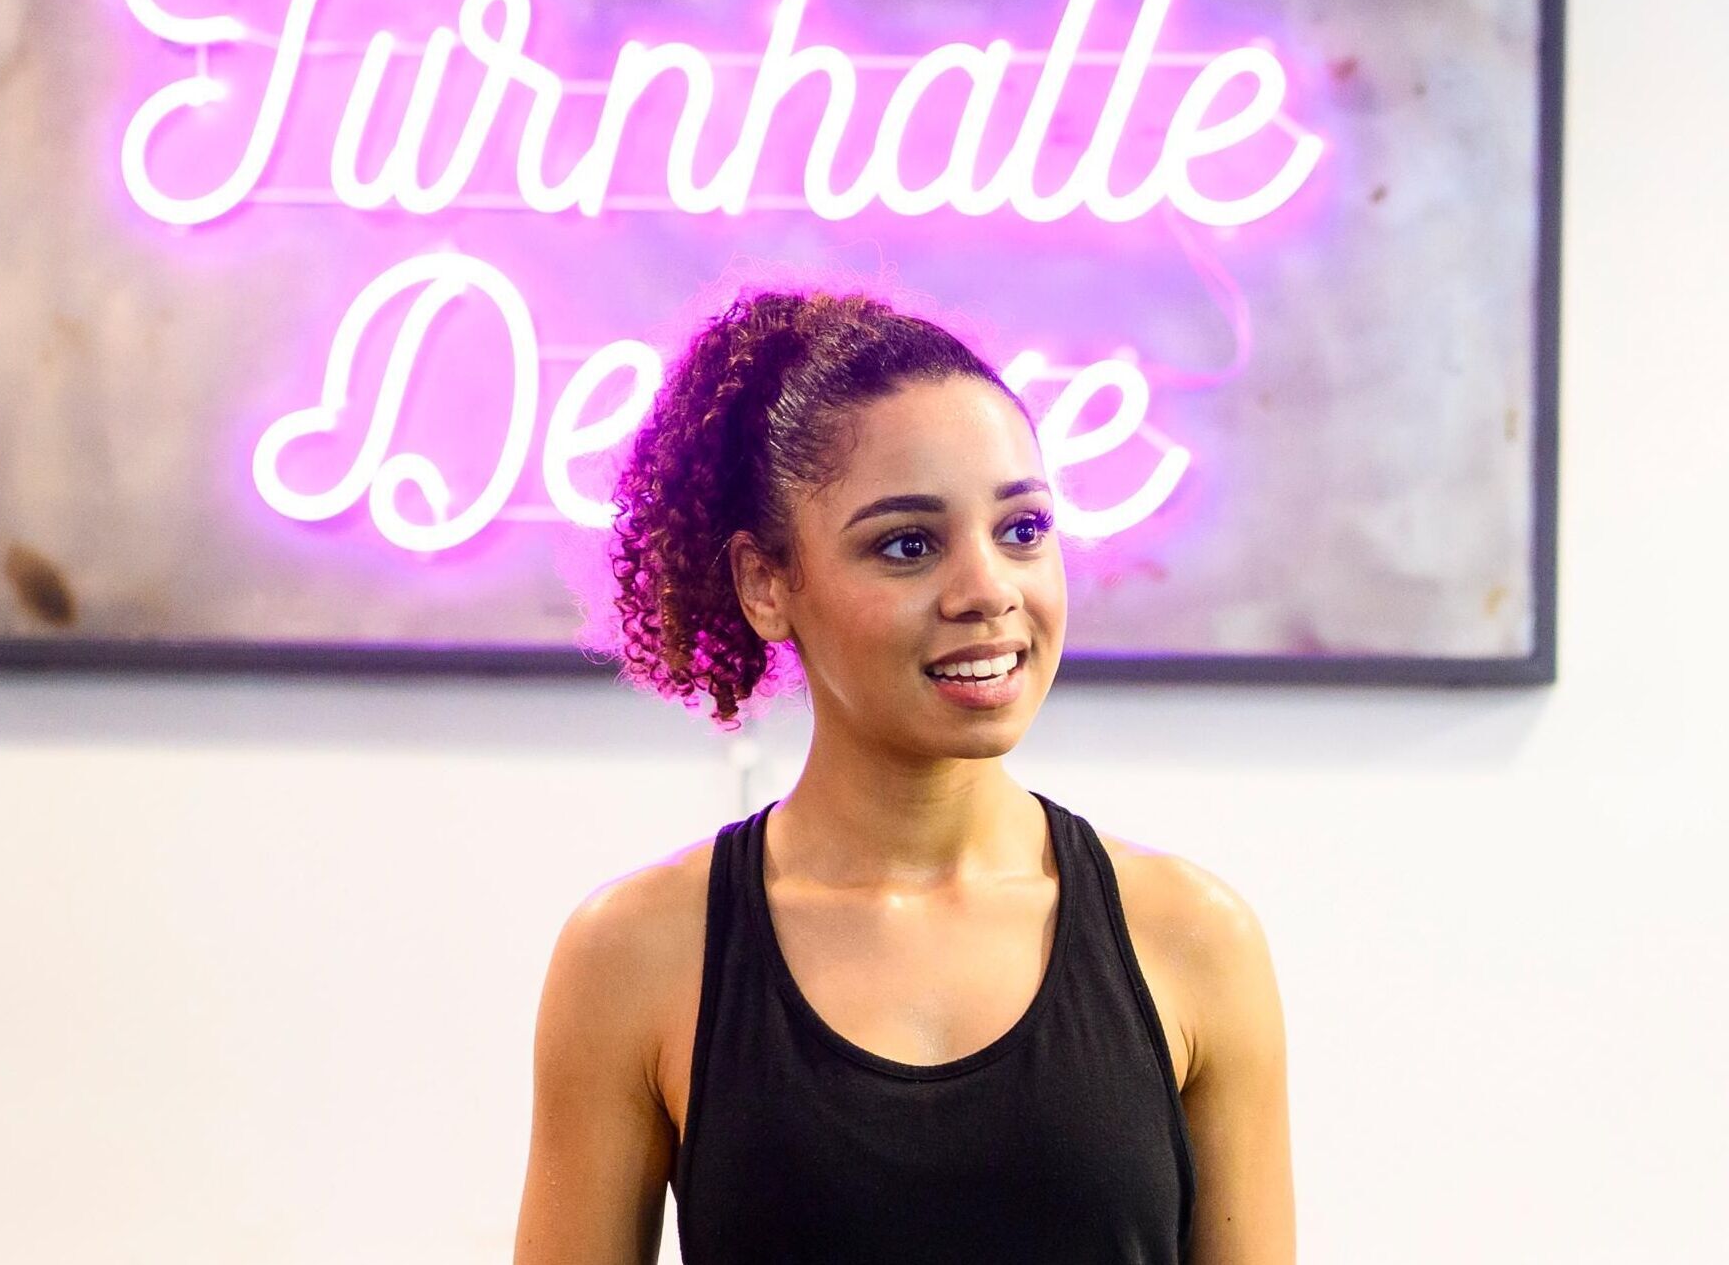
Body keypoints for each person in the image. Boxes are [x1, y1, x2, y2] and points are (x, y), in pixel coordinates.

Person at [511, 289, 1295, 1264]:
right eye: (908, 545)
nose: (988, 591)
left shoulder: (1193, 937)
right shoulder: (633, 954)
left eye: (1022, 529)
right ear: (765, 583)